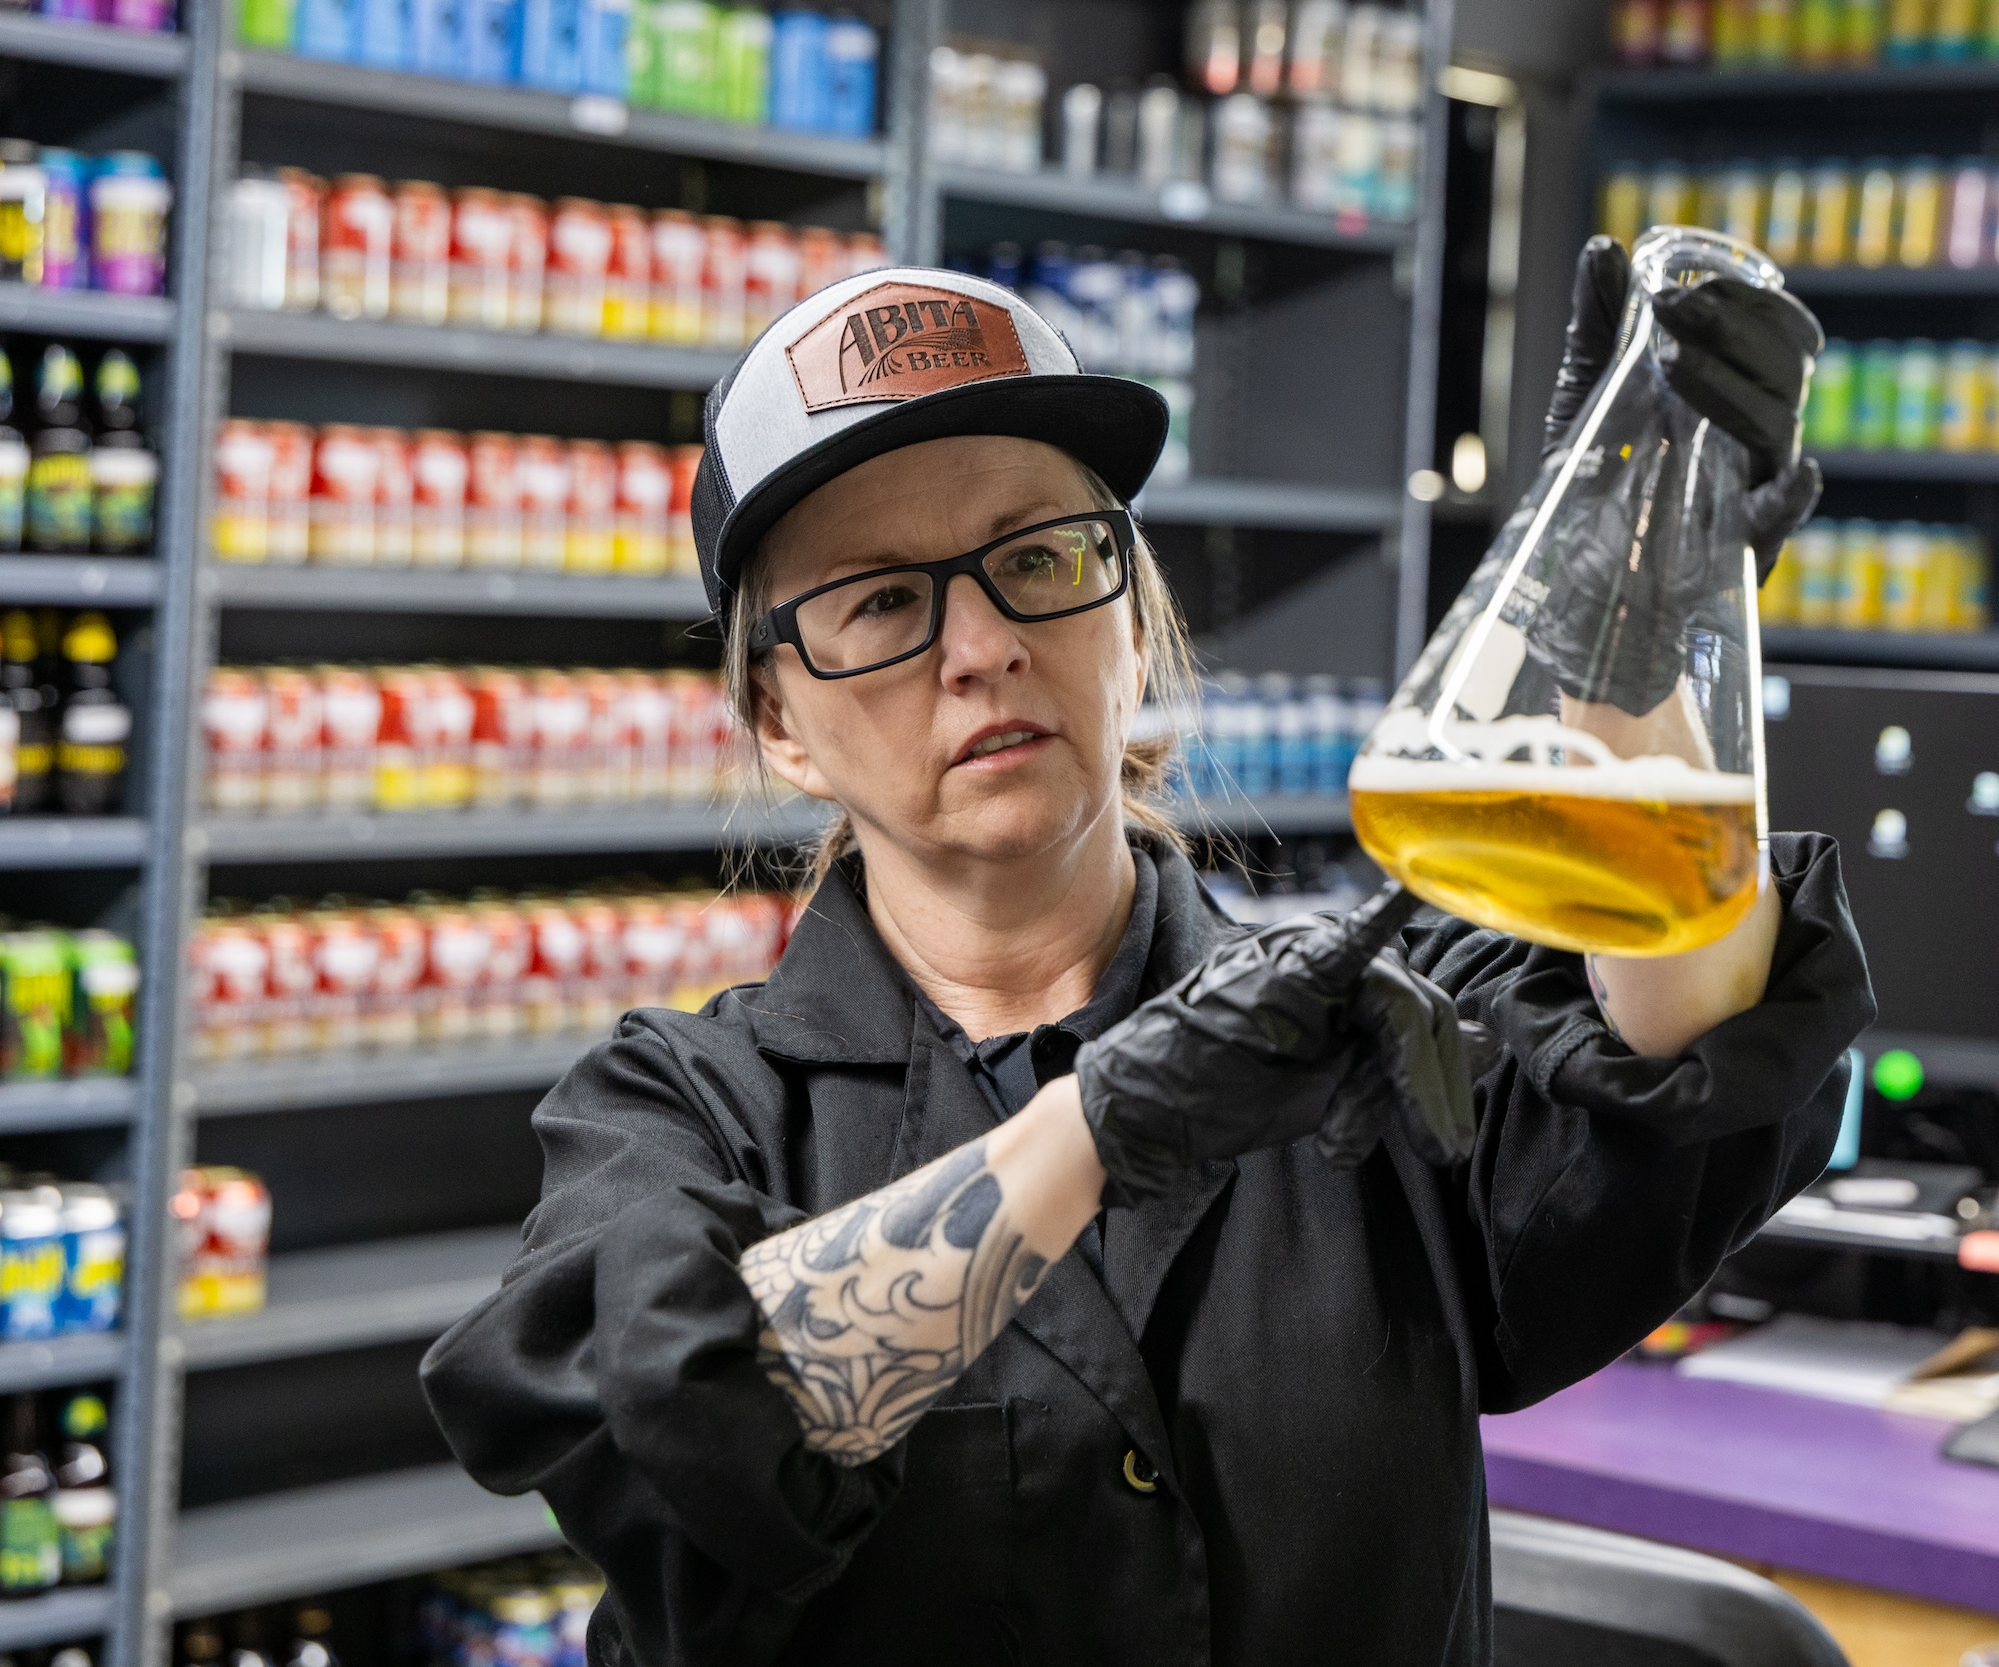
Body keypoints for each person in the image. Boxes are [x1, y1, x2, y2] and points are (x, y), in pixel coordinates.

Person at [423, 248, 1872, 1667]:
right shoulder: (682, 1113)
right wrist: (1106, 1128)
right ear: (779, 723)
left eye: (1040, 557)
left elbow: (1688, 1050)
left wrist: (1626, 635)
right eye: (878, 600)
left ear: (1132, 614)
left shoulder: (1376, 1028)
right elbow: (695, 1418)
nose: (981, 643)